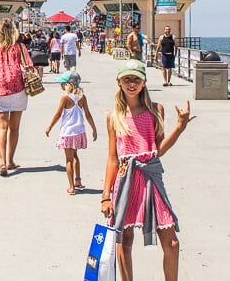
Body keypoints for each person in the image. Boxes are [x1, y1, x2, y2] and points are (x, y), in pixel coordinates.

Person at [100, 59, 196, 281]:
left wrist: (180, 128)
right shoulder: (113, 116)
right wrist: (106, 196)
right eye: (127, 79)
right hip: (125, 179)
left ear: (144, 82)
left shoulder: (155, 110)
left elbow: (158, 149)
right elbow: (113, 158)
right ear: (119, 82)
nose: (131, 84)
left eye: (136, 79)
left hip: (151, 176)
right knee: (125, 241)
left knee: (171, 243)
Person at [0, 18, 33, 176]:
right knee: (14, 128)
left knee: (1, 127)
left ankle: (2, 162)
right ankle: (10, 160)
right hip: (18, 90)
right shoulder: (20, 47)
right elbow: (29, 66)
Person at [44, 70, 98, 195]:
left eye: (63, 84)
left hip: (67, 132)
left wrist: (49, 127)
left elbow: (58, 114)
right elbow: (88, 115)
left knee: (68, 159)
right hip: (79, 131)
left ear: (68, 84)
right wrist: (94, 128)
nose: (61, 86)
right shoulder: (82, 97)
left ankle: (71, 187)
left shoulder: (65, 98)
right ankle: (78, 180)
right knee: (75, 156)